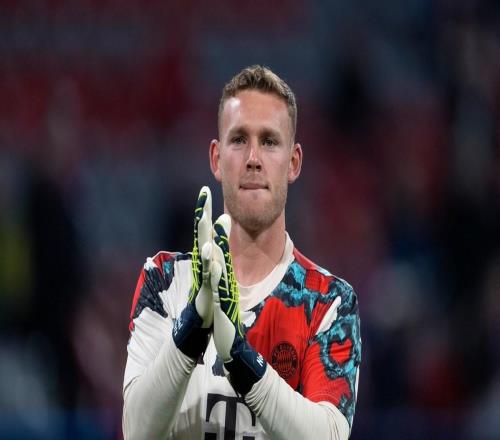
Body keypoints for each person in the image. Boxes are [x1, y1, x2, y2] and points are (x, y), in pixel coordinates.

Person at [122, 65, 362, 440]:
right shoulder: (164, 280)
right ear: (216, 159)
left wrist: (239, 355)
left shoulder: (328, 302)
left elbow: (329, 435)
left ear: (294, 163)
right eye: (238, 140)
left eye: (269, 141)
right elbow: (136, 431)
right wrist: (192, 326)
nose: (253, 157)